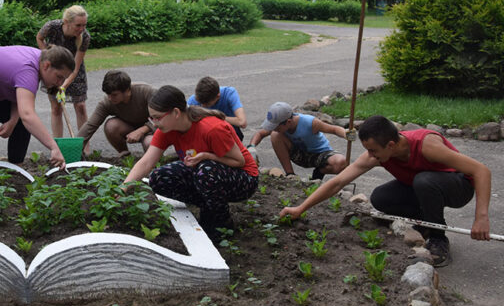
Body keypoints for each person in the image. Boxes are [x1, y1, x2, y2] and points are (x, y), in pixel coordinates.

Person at [279, 115, 492, 267]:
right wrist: (301, 208)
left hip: (458, 187)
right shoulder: (378, 154)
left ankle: (438, 239)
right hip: (422, 186)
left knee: (423, 181)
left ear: (391, 145)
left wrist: (481, 218)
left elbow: (481, 171)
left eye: (373, 150)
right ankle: (425, 224)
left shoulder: (426, 145)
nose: (370, 155)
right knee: (381, 198)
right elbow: (337, 182)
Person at [122, 85, 259, 238]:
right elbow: (147, 162)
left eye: (157, 117)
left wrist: (207, 155)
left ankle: (222, 224)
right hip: (206, 171)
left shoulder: (212, 128)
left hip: (244, 178)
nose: (154, 123)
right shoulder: (166, 130)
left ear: (175, 112)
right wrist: (123, 188)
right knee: (159, 178)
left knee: (206, 171)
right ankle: (208, 205)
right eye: (151, 118)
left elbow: (239, 161)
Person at [249, 101, 350, 181]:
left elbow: (334, 129)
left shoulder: (310, 122)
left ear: (288, 122)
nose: (274, 128)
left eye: (276, 126)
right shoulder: (279, 129)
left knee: (342, 163)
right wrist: (251, 147)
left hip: (320, 154)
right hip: (299, 155)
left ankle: (319, 172)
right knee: (275, 135)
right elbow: (260, 133)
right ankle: (290, 175)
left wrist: (346, 133)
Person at [36, 5, 90, 141]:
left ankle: (84, 145)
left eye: (84, 25)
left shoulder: (85, 37)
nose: (82, 29)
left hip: (74, 73)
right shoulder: (52, 27)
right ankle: (58, 144)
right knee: (56, 107)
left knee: (81, 106)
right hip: (54, 70)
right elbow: (39, 37)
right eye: (78, 25)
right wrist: (47, 55)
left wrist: (63, 86)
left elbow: (75, 69)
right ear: (66, 22)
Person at [77, 70, 157, 157]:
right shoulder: (107, 102)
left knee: (149, 143)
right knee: (111, 126)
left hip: (152, 130)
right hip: (129, 128)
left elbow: (162, 118)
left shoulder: (147, 92)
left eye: (114, 95)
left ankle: (153, 163)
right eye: (108, 94)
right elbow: (91, 125)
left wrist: (141, 130)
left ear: (127, 91)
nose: (110, 98)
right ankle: (125, 155)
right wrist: (76, 146)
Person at [187, 77, 248, 141]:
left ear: (218, 96)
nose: (203, 106)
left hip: (229, 132)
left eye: (207, 104)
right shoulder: (193, 101)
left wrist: (215, 116)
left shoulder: (229, 93)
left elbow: (242, 122)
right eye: (201, 103)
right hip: (205, 134)